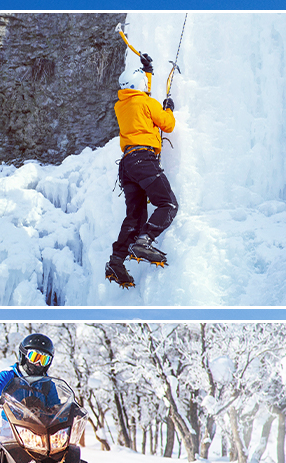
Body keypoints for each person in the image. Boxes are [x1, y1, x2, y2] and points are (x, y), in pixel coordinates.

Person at [104, 53, 179, 289]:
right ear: (139, 87)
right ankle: (144, 241)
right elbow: (167, 124)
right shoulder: (147, 103)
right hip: (144, 160)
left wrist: (147, 70)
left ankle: (116, 260)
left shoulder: (122, 105)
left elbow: (140, 92)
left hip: (127, 166)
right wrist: (168, 109)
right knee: (168, 204)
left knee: (135, 216)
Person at [0, 333, 59, 453]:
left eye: (44, 360)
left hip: (37, 430)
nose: (38, 364)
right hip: (8, 426)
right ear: (24, 355)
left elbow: (55, 405)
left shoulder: (47, 383)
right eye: (35, 357)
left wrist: (64, 412)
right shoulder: (10, 374)